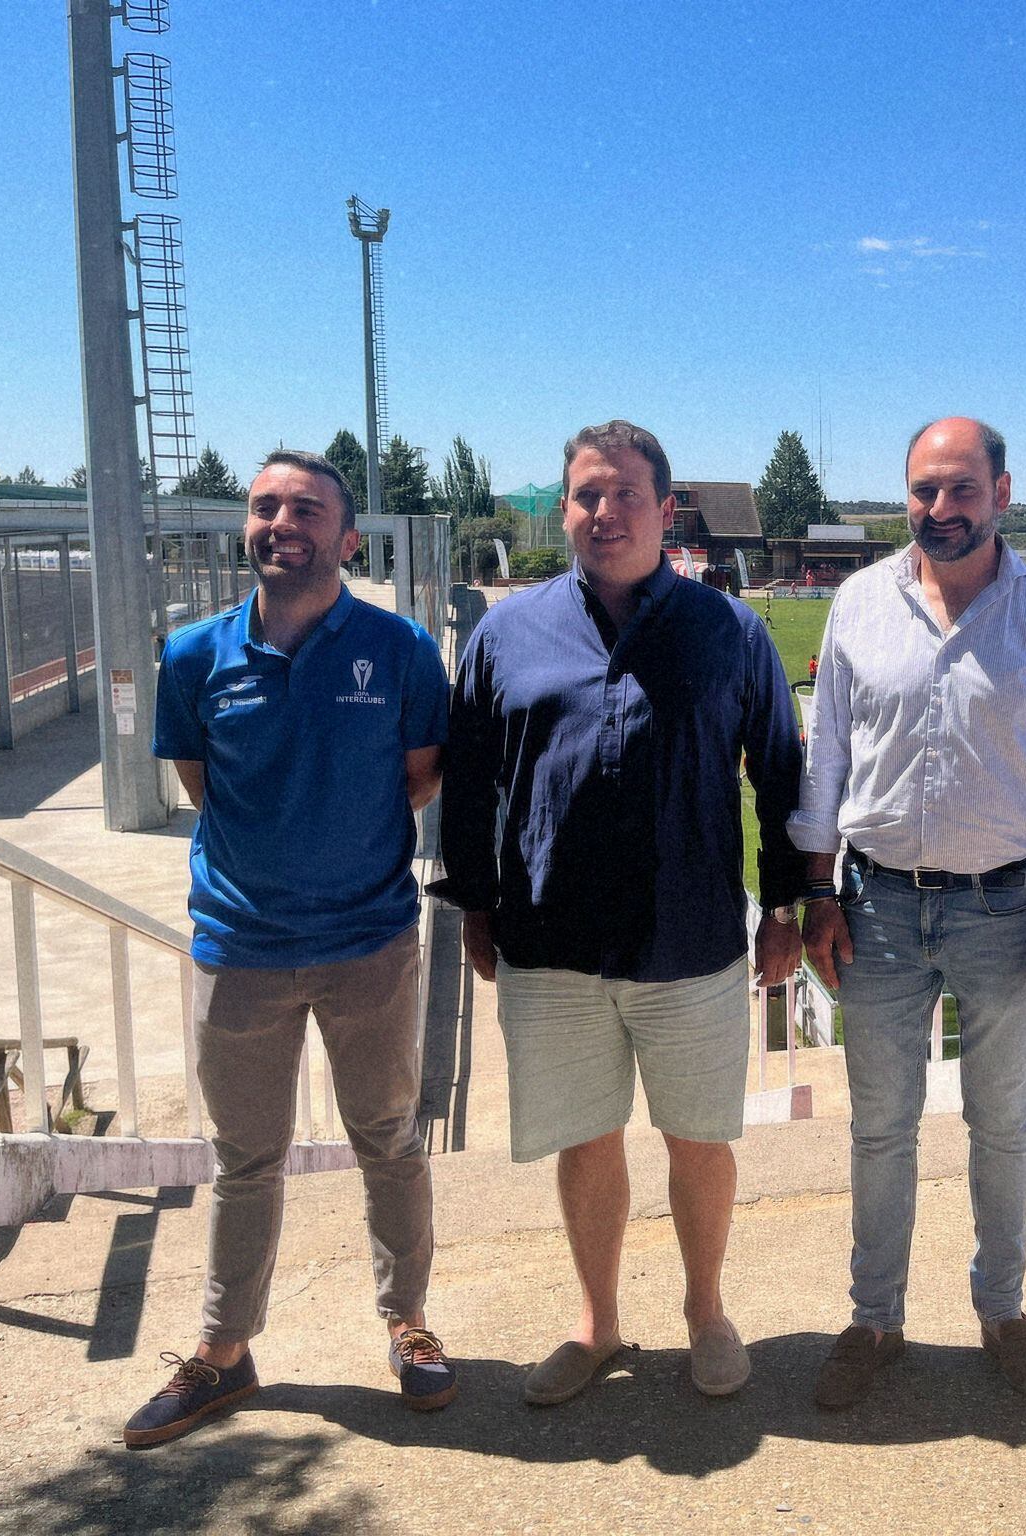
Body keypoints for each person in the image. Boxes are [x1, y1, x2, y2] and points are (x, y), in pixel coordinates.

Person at [435, 419, 804, 1404]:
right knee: (585, 1138)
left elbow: (779, 774)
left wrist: (785, 908)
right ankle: (596, 1323)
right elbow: (469, 783)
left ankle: (706, 1311)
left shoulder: (730, 631)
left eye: (625, 493)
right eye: (586, 495)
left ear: (664, 507)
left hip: (690, 940)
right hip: (548, 940)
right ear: (564, 509)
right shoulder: (505, 634)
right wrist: (473, 902)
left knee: (698, 1139)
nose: (605, 512)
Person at [791, 417, 1026, 1408]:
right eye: (923, 490)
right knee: (880, 1129)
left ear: (1001, 492)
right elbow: (825, 765)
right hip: (876, 906)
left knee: (1000, 1123)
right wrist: (815, 894)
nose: (940, 509)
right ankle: (873, 1318)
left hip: (1006, 910)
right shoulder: (857, 605)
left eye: (960, 489)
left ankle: (1001, 1308)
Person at [134, 449, 453, 1447]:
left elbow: (417, 777)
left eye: (307, 509)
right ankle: (225, 1354)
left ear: (346, 538)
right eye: (265, 506)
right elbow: (202, 783)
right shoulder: (191, 658)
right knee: (243, 1160)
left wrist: (337, 850)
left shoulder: (400, 651)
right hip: (239, 951)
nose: (283, 522)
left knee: (389, 1142)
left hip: (369, 943)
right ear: (247, 529)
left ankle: (408, 1325)